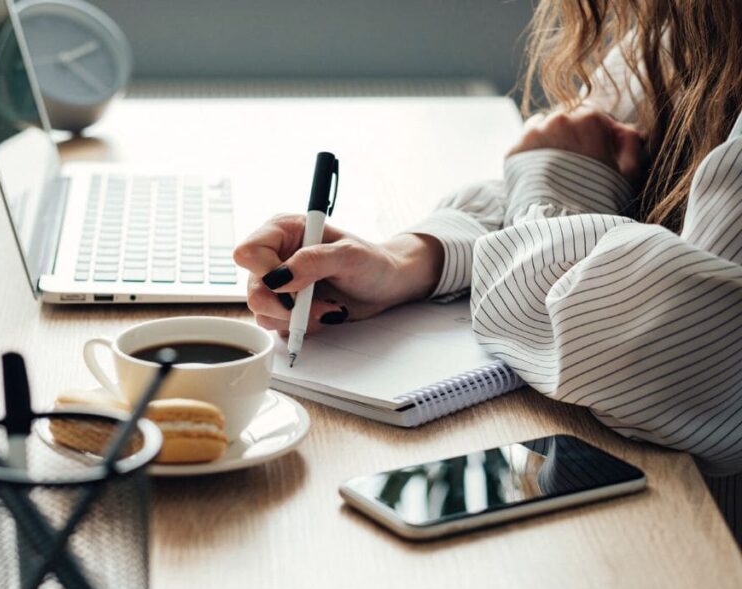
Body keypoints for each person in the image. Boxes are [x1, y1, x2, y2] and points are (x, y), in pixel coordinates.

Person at [233, 0, 742, 545]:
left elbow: (685, 360)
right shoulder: (684, 28)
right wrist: (409, 260)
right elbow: (562, 156)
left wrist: (558, 190)